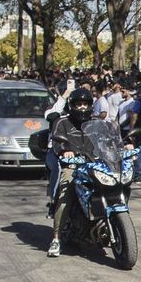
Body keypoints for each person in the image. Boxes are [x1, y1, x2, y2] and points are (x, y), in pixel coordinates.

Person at [47, 88, 97, 257]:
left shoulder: (96, 122)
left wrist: (125, 145)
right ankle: (56, 239)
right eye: (79, 104)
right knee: (65, 192)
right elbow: (57, 142)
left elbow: (109, 139)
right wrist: (64, 150)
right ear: (72, 105)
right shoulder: (63, 122)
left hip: (96, 165)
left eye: (85, 104)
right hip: (73, 166)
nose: (82, 108)